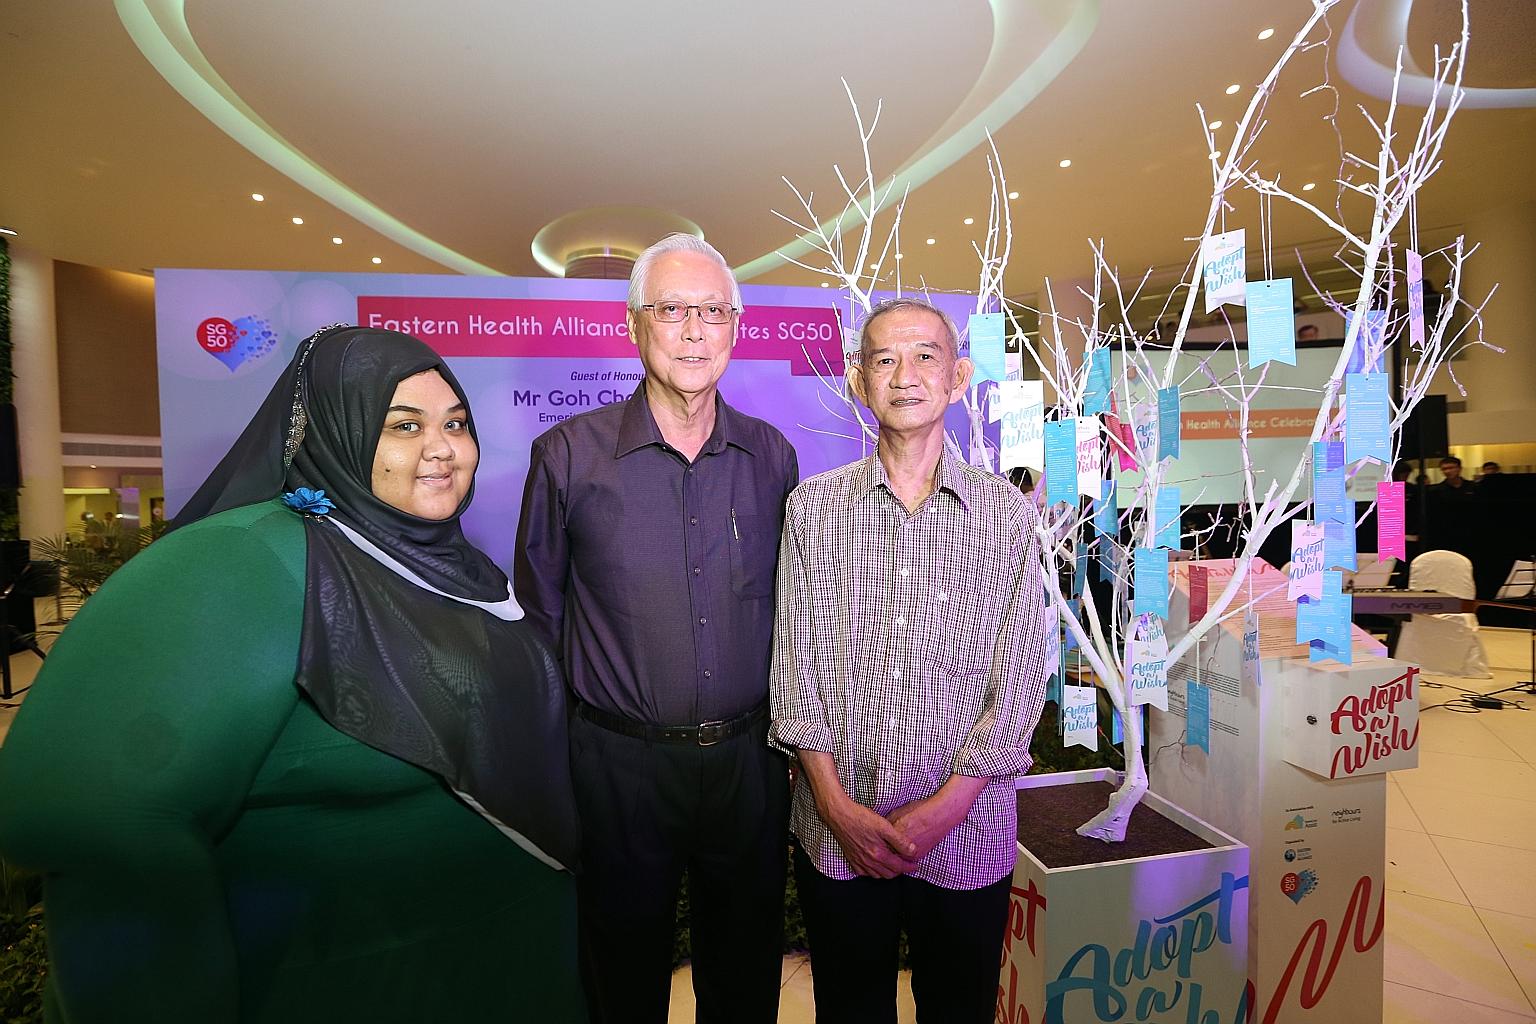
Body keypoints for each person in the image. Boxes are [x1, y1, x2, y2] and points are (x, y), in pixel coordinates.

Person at [0, 326, 584, 1023]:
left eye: (456, 423)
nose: (442, 447)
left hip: (498, 974)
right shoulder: (241, 561)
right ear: (333, 430)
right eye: (403, 425)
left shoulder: (463, 568)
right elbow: (85, 814)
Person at [515, 234, 798, 1024]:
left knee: (744, 978)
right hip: (617, 771)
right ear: (634, 325)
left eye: (713, 310)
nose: (695, 330)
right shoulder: (567, 458)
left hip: (748, 765)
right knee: (620, 978)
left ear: (736, 327)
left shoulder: (772, 458)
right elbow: (540, 629)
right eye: (674, 309)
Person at [769, 297, 1049, 1023]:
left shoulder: (1004, 514)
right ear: (859, 380)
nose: (904, 375)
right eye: (883, 358)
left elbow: (1020, 678)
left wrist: (946, 806)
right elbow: (795, 666)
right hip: (839, 830)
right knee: (850, 1008)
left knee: (958, 1008)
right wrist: (833, 806)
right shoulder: (814, 509)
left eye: (924, 356)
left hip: (969, 826)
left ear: (957, 377)